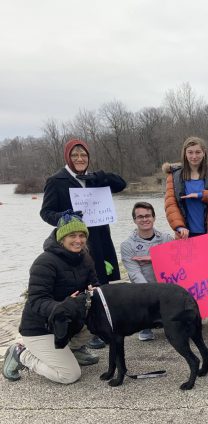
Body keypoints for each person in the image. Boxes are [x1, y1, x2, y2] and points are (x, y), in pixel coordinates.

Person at [40, 138, 126, 350]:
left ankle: (101, 325)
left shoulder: (94, 178)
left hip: (100, 238)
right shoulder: (56, 180)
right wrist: (64, 217)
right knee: (79, 285)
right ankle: (83, 333)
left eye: (84, 155)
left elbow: (121, 184)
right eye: (75, 155)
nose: (80, 159)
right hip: (73, 242)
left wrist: (100, 175)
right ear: (68, 157)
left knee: (100, 282)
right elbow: (45, 212)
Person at [3, 211, 99, 384]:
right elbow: (37, 300)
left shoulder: (85, 258)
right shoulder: (45, 262)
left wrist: (95, 295)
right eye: (72, 235)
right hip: (41, 328)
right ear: (61, 237)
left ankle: (72, 349)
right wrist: (63, 306)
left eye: (82, 235)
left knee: (100, 319)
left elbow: (95, 286)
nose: (78, 240)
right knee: (69, 375)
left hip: (68, 322)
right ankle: (21, 354)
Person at [163, 136, 208, 327]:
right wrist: (179, 226)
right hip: (187, 233)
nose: (194, 156)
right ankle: (194, 311)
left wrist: (202, 195)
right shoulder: (174, 177)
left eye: (198, 152)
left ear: (204, 153)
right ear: (185, 154)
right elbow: (170, 204)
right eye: (190, 152)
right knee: (191, 276)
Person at [120, 201, 174, 341]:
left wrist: (154, 258)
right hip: (145, 289)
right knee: (136, 287)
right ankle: (144, 324)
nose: (145, 219)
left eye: (148, 216)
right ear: (134, 220)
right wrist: (152, 294)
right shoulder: (127, 245)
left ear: (154, 218)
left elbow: (176, 264)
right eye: (140, 217)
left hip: (166, 286)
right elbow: (134, 273)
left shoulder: (166, 239)